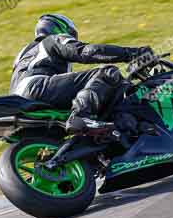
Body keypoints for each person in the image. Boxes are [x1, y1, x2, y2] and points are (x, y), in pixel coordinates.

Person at [10, 13, 153, 133]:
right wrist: (132, 53)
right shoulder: (51, 40)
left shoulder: (23, 55)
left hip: (20, 99)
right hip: (37, 87)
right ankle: (82, 116)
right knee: (107, 73)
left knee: (94, 88)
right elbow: (86, 52)